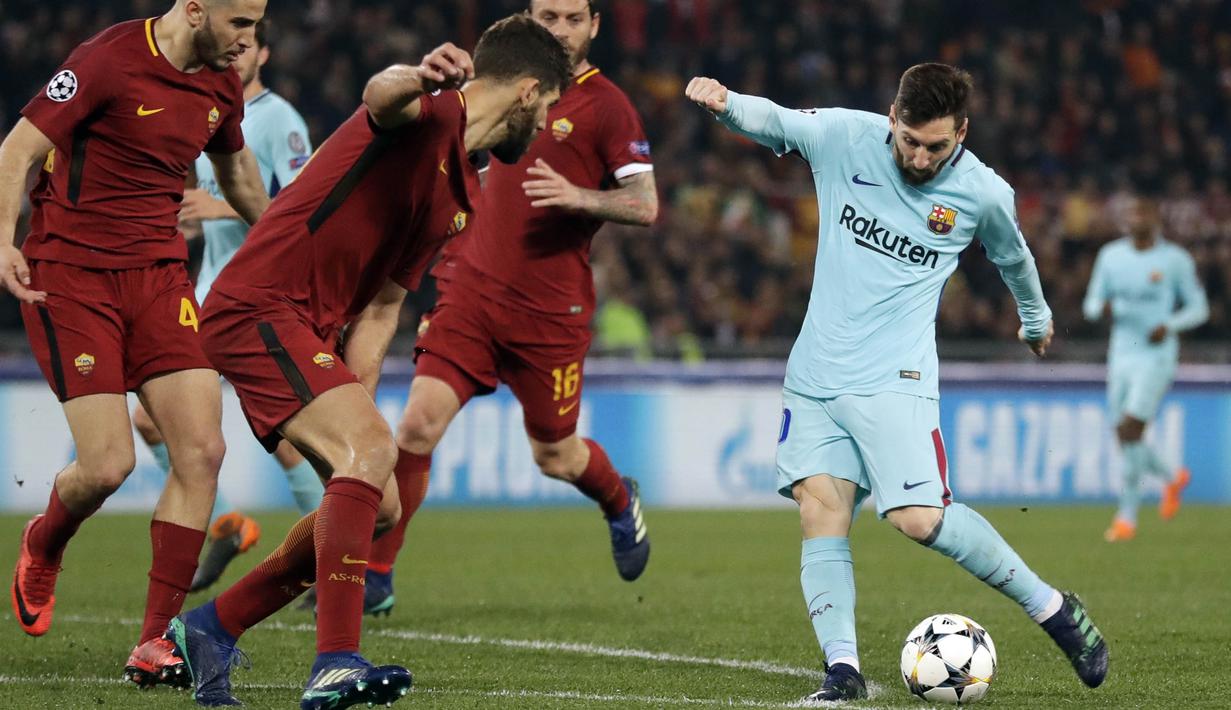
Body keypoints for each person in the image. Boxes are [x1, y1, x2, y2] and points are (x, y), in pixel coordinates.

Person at [163, 16, 570, 708]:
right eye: (551, 107)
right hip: (259, 303)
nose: (547, 124)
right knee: (372, 455)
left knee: (377, 504)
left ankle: (212, 626)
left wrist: (358, 408)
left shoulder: (460, 197)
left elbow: (383, 307)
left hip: (302, 326)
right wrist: (418, 72)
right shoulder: (430, 107)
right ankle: (334, 661)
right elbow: (381, 96)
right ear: (529, 92)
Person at [686, 63, 1109, 702]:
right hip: (816, 373)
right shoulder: (844, 138)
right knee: (821, 512)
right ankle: (844, 673)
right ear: (891, 117)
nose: (918, 156)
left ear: (962, 132)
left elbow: (1013, 257)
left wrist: (1035, 318)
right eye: (909, 140)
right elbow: (775, 120)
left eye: (936, 146)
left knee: (917, 519)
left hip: (896, 379)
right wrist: (725, 104)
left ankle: (1052, 608)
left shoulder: (982, 193)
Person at [0, 0, 270, 688]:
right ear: (196, 9)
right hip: (71, 273)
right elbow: (18, 150)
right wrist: (2, 240)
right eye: (239, 23)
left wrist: (284, 251)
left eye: (257, 24)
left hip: (158, 277)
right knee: (108, 465)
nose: (249, 40)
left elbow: (237, 176)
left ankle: (156, 640)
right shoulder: (108, 59)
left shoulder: (220, 81)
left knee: (203, 450)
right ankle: (45, 540)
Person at [369, 0, 658, 617]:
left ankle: (616, 498)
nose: (559, 29)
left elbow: (646, 204)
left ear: (595, 26)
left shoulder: (607, 106)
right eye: (548, 16)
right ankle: (376, 575)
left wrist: (579, 195)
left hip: (551, 311)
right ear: (529, 17)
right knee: (416, 425)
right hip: (469, 290)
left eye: (573, 18)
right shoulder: (493, 84)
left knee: (554, 455)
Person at [127, 19, 323, 592]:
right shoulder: (212, 112)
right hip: (209, 293)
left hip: (259, 300)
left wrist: (219, 211)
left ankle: (324, 558)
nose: (236, 54)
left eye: (247, 44)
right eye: (229, 44)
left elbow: (302, 210)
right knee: (151, 421)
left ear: (264, 51)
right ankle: (225, 530)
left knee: (288, 440)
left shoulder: (279, 119)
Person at [1082, 195, 1208, 542]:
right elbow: (1091, 303)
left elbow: (1199, 308)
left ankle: (1127, 518)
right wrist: (1101, 309)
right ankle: (1172, 477)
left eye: (1144, 212)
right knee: (1123, 432)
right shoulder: (1111, 256)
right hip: (1121, 353)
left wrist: (1169, 324)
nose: (1137, 218)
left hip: (1157, 355)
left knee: (1130, 428)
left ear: (1156, 219)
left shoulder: (1174, 260)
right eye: (1133, 212)